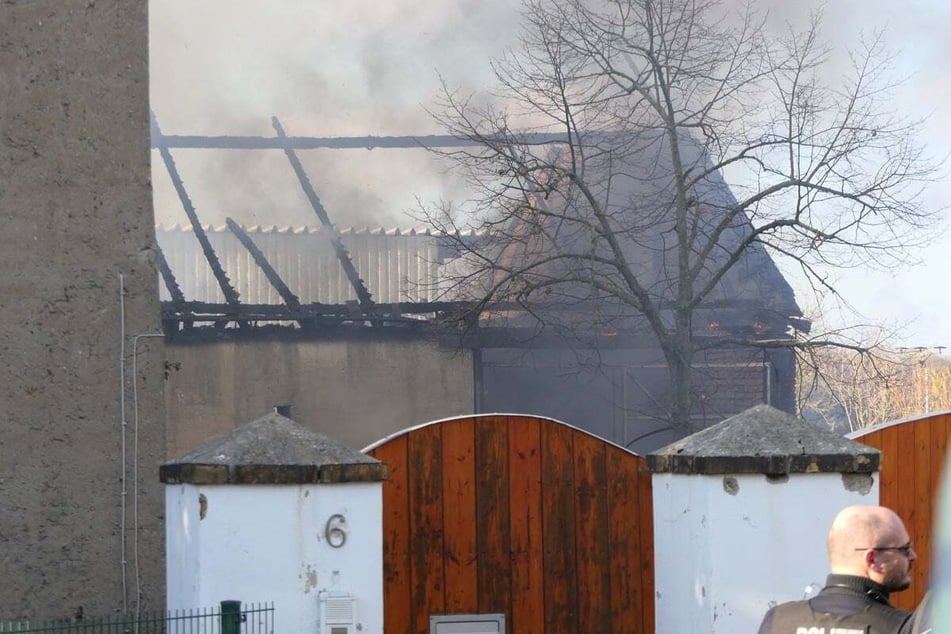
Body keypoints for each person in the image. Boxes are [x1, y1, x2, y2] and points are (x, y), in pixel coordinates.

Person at [758, 505, 916, 633]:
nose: (912, 556)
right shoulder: (901, 627)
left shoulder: (778, 620)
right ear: (871, 559)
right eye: (904, 549)